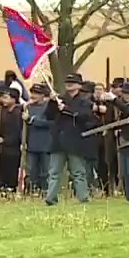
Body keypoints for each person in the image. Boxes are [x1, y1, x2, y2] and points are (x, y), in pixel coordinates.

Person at [44, 73, 95, 205]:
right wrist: (51, 102)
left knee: (78, 172)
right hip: (58, 141)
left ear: (79, 85)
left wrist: (66, 109)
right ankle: (51, 198)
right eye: (67, 82)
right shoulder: (59, 99)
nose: (69, 85)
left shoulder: (85, 102)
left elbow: (84, 117)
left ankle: (83, 197)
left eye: (72, 82)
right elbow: (49, 116)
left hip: (75, 141)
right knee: (54, 172)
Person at [24, 85, 53, 196]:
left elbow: (50, 123)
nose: (33, 96)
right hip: (31, 144)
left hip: (46, 144)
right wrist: (23, 141)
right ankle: (31, 192)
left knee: (45, 172)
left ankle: (46, 192)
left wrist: (32, 120)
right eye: (32, 93)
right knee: (31, 171)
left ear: (42, 95)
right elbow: (24, 127)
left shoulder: (48, 107)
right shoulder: (28, 108)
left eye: (36, 93)